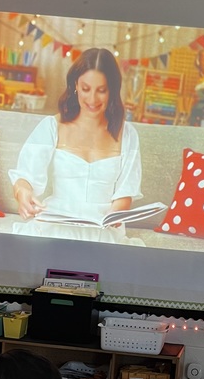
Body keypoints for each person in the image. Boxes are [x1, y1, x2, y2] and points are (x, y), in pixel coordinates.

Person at [8, 47, 143, 242]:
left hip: (102, 229)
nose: (92, 99)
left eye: (101, 91)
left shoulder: (128, 135)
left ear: (112, 90)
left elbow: (125, 195)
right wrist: (23, 193)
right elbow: (24, 178)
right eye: (86, 89)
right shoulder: (52, 127)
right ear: (75, 86)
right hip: (56, 224)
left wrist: (114, 217)